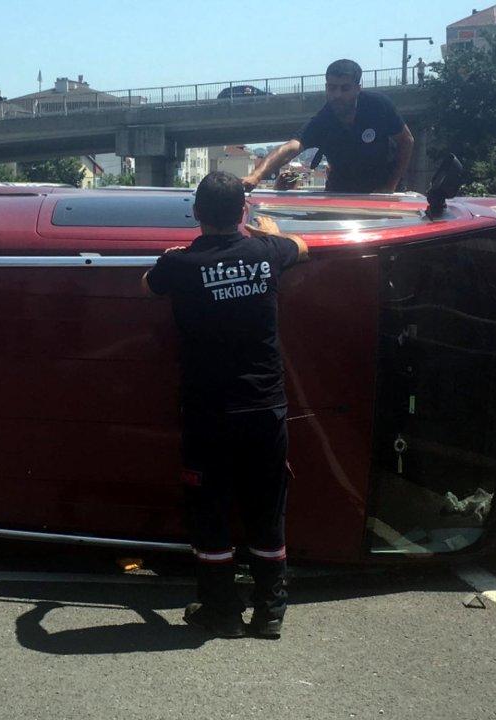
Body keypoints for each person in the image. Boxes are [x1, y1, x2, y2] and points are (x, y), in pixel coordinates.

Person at [143, 171, 308, 639]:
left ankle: (221, 611)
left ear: (196, 214)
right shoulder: (266, 253)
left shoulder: (180, 265)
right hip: (265, 409)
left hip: (208, 413)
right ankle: (270, 611)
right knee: (266, 507)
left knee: (209, 509)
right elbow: (303, 245)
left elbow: (146, 285)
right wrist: (262, 230)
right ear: (242, 212)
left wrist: (173, 259)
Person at [241, 59, 414, 194]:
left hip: (384, 189)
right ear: (326, 88)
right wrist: (256, 176)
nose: (337, 95)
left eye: (344, 88)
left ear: (357, 88)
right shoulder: (323, 120)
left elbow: (406, 141)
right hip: (343, 189)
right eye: (332, 88)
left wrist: (390, 185)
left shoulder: (378, 106)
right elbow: (290, 148)